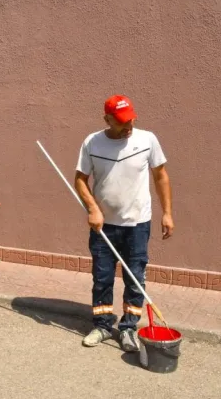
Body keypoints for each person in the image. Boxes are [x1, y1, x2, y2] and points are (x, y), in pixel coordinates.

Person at [74, 95, 174, 352]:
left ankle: (129, 328)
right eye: (120, 122)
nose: (128, 125)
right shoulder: (92, 142)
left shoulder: (147, 140)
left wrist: (167, 213)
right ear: (107, 119)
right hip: (103, 226)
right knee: (102, 278)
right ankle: (103, 325)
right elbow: (80, 180)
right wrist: (93, 209)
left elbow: (161, 176)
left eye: (130, 119)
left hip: (138, 224)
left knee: (135, 278)